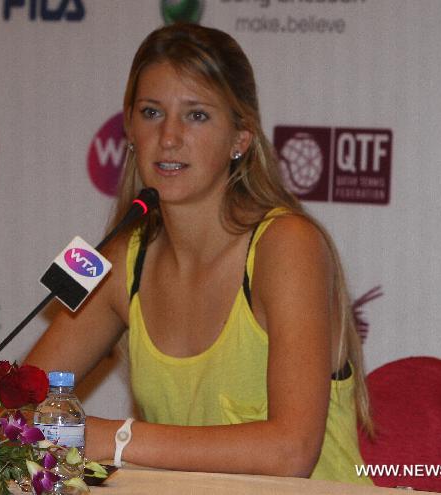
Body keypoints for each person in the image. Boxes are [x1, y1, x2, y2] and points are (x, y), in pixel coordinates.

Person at [25, 22, 373, 483]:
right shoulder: (120, 259)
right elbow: (14, 398)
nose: (168, 137)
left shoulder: (287, 245)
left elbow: (292, 452)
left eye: (196, 115)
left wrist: (118, 438)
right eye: (151, 112)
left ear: (240, 138)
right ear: (129, 126)